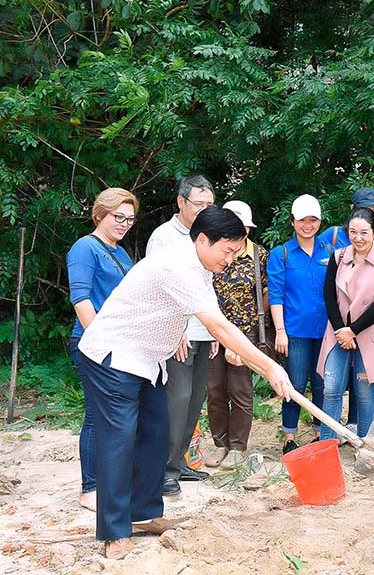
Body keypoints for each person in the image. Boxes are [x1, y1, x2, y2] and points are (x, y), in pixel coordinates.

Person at [78, 207, 294, 559]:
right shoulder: (179, 266)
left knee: (157, 433)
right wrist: (269, 367)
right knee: (119, 441)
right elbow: (219, 326)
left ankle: (144, 513)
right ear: (203, 239)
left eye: (236, 252)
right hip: (114, 355)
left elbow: (189, 312)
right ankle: (114, 531)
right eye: (227, 251)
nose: (230, 259)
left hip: (147, 359)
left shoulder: (201, 265)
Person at [66, 188, 139, 512]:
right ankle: (90, 488)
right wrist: (100, 342)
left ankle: (111, 482)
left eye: (130, 219)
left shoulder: (121, 253)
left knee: (115, 417)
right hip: (93, 343)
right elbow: (81, 300)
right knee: (97, 417)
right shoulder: (85, 248)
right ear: (100, 214)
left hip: (120, 343)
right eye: (118, 217)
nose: (124, 224)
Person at [146, 175, 217, 495]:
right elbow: (157, 288)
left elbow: (207, 286)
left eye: (209, 205)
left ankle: (180, 461)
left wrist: (215, 330)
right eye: (198, 204)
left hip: (203, 332)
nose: (204, 210)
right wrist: (174, 331)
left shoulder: (206, 236)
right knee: (178, 399)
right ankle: (163, 471)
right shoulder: (163, 238)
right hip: (177, 335)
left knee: (195, 400)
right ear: (180, 202)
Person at [319, 186, 374, 435]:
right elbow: (329, 295)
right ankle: (328, 441)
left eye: (364, 233)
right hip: (338, 333)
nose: (358, 238)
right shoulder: (338, 257)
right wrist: (341, 330)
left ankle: (365, 442)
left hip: (369, 332)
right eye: (353, 232)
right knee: (332, 387)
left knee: (364, 389)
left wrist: (353, 331)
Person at [206, 201, 267, 470]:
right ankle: (221, 443)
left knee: (240, 390)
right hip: (212, 331)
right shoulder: (211, 255)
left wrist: (245, 333)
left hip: (246, 333)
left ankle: (238, 446)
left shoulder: (259, 256)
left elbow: (266, 294)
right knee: (215, 388)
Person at [267, 195, 330, 454]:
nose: (308, 224)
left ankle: (320, 433)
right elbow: (276, 295)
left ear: (319, 222)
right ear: (292, 222)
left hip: (325, 330)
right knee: (292, 384)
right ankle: (289, 436)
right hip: (294, 331)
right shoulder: (281, 254)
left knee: (322, 384)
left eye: (313, 219)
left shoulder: (330, 251)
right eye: (302, 219)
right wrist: (280, 331)